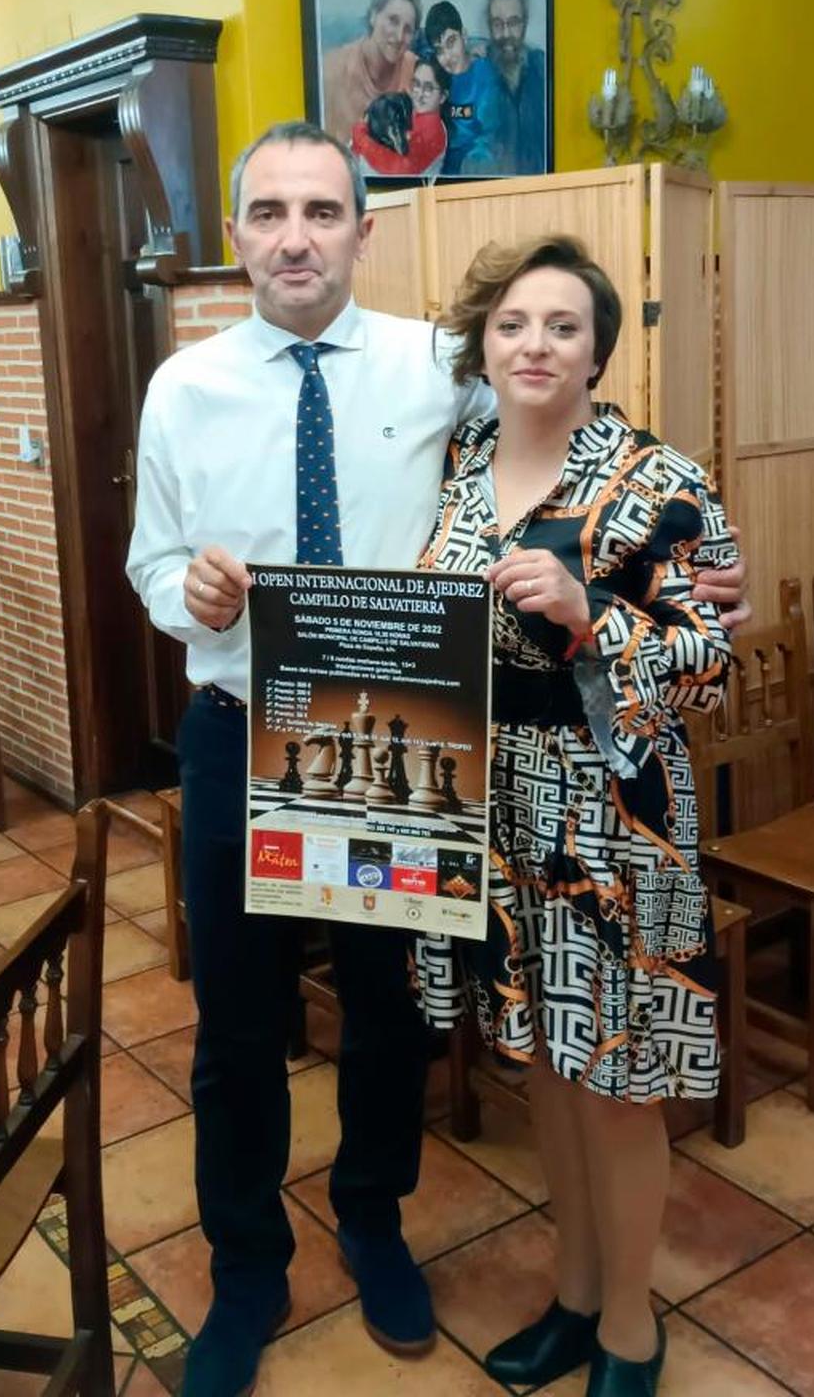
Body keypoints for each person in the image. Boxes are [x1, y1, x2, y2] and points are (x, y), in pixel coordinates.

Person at [126, 122, 748, 1397]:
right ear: (234, 234)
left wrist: (707, 577)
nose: (294, 236)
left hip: (403, 746)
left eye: (322, 210)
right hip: (241, 738)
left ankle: (374, 1224)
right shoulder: (181, 388)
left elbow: (575, 433)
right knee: (236, 1024)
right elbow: (147, 561)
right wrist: (183, 589)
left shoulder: (436, 366)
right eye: (268, 212)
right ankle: (247, 1268)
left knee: (388, 1009)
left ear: (364, 227)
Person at [414, 234, 735, 1397]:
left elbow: (711, 666)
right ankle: (577, 1294)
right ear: (483, 345)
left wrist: (591, 609)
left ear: (598, 347)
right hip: (499, 799)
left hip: (610, 810)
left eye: (560, 325)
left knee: (617, 1079)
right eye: (511, 324)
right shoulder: (465, 454)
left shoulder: (659, 477)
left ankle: (633, 1330)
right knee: (545, 1064)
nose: (534, 343)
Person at [321, 0, 420, 144]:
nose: (399, 36)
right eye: (393, 21)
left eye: (408, 29)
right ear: (373, 16)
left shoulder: (417, 71)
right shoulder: (332, 69)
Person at [425, 0, 503, 176]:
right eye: (439, 50)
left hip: (474, 163)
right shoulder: (435, 73)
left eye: (451, 42)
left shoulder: (485, 74)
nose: (447, 56)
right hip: (439, 164)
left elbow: (490, 133)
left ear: (464, 36)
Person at [349, 58, 449, 177]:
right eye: (416, 84)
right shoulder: (412, 111)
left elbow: (401, 170)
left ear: (443, 96)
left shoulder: (432, 127)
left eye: (428, 88)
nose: (419, 94)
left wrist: (361, 138)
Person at [485, 0, 548, 175]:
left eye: (513, 23)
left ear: (525, 24)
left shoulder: (542, 67)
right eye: (497, 24)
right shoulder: (477, 71)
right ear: (489, 27)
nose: (505, 34)